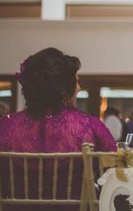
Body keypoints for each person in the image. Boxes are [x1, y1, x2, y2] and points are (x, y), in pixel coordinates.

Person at [0, 48, 116, 202]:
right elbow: (115, 175)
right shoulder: (91, 126)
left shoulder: (5, 127)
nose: (79, 88)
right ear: (64, 88)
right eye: (77, 81)